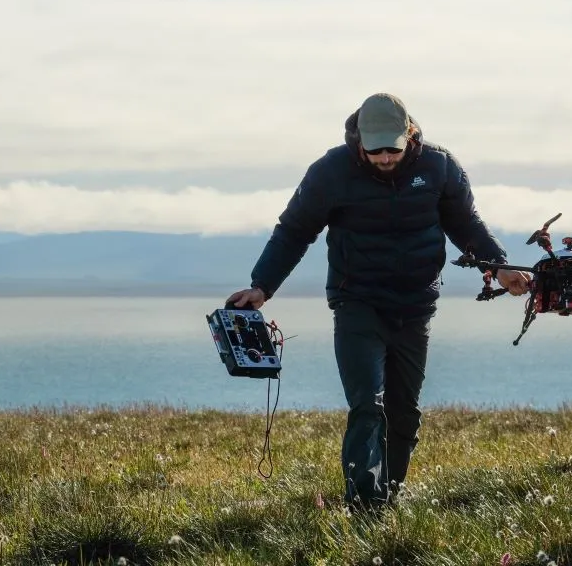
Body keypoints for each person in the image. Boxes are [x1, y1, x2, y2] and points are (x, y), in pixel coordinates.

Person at [226, 92, 530, 510]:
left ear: (409, 135)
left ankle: (388, 496)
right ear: (360, 142)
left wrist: (500, 266)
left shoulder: (439, 168)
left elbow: (466, 225)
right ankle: (364, 506)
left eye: (393, 149)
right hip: (358, 303)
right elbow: (294, 231)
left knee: (404, 413)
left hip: (416, 306)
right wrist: (262, 286)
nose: (385, 158)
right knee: (368, 405)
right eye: (375, 151)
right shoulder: (331, 171)